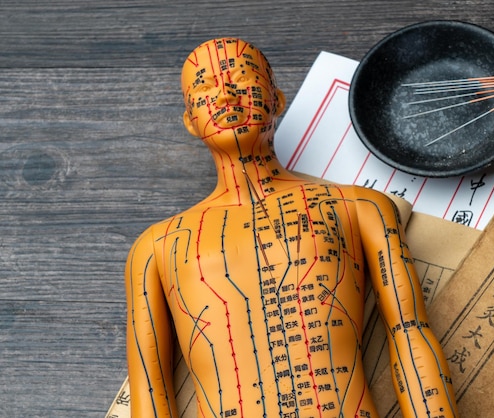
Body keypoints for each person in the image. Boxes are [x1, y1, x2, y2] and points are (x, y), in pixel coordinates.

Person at [126, 37, 458, 418]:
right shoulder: (155, 247)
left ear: (277, 100)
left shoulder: (361, 207)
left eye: (241, 78)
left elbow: (409, 331)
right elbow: (149, 390)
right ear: (189, 120)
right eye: (204, 87)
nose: (226, 95)